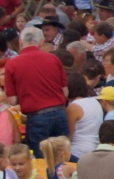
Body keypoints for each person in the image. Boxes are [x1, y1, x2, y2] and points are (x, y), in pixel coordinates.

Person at [5, 27, 69, 155]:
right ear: (41, 42)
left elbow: (12, 100)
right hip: (59, 112)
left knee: (40, 158)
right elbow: (65, 92)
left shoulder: (12, 64)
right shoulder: (53, 59)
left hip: (37, 116)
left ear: (20, 42)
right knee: (61, 156)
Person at [65, 72, 103, 159]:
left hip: (77, 151)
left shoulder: (73, 107)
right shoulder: (96, 102)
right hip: (95, 149)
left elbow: (69, 135)